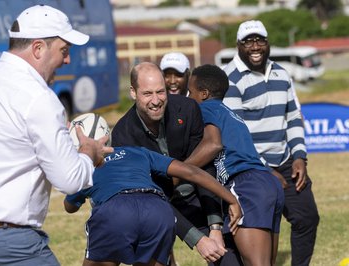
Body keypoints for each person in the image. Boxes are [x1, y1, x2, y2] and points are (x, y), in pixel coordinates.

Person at [0, 5, 112, 265]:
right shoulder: (39, 98)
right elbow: (69, 181)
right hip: (6, 243)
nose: (67, 60)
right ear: (38, 49)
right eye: (64, 51)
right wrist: (88, 153)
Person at [111, 62, 239, 264]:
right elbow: (150, 196)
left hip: (195, 196)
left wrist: (214, 226)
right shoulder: (122, 135)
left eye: (160, 92)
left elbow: (203, 167)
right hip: (153, 206)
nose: (156, 101)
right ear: (133, 93)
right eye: (147, 94)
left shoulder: (187, 109)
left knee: (228, 260)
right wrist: (197, 239)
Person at [222, 20, 320, 266]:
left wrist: (299, 156)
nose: (255, 46)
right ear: (238, 45)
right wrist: (263, 168)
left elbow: (293, 116)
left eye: (260, 40)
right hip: (250, 167)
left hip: (286, 161)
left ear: (267, 43)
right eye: (248, 41)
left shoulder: (282, 73)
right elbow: (235, 132)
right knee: (258, 232)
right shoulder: (230, 79)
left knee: (306, 218)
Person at [64, 146, 242, 266]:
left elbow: (69, 206)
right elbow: (191, 172)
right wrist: (231, 199)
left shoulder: (86, 166)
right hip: (157, 208)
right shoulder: (136, 151)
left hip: (116, 209)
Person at [185, 64, 285, 265]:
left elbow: (213, 145)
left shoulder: (205, 108)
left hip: (245, 184)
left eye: (191, 91)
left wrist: (178, 170)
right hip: (266, 183)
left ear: (203, 94)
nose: (188, 96)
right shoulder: (230, 113)